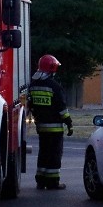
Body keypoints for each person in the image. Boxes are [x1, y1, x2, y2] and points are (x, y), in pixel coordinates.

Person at [27, 54, 73, 190]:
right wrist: (69, 123)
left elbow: (31, 105)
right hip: (55, 129)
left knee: (43, 153)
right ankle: (53, 182)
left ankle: (41, 180)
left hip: (41, 127)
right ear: (52, 68)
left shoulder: (33, 85)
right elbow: (62, 109)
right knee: (54, 155)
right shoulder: (55, 86)